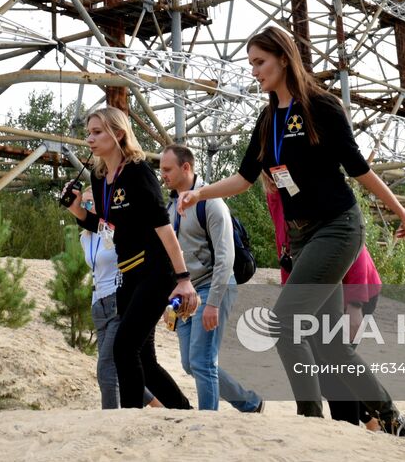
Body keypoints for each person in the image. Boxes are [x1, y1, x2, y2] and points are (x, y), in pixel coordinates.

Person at [179, 25, 405, 434]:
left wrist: (404, 215)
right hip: (301, 236)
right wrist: (199, 193)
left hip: (337, 227)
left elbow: (359, 169)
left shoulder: (321, 107)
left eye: (260, 62)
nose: (254, 71)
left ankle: (309, 420)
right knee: (328, 343)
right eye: (251, 63)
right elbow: (243, 178)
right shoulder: (267, 120)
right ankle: (390, 416)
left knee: (285, 324)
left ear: (283, 58)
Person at [64, 107, 194, 409]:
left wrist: (183, 279)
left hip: (154, 271)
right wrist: (76, 210)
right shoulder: (99, 177)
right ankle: (184, 412)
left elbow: (164, 229)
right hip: (129, 275)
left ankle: (131, 418)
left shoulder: (137, 171)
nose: (90, 139)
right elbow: (108, 228)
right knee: (144, 359)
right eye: (88, 133)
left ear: (118, 133)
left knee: (124, 348)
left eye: (97, 132)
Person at [267, 176, 381, 428]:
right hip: (320, 286)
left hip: (356, 285)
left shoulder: (308, 184)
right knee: (321, 366)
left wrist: (356, 304)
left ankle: (356, 427)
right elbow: (289, 248)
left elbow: (351, 246)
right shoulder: (275, 194)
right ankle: (371, 419)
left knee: (334, 368)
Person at [158, 143, 263, 413]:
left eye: (167, 169)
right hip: (186, 292)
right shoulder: (171, 205)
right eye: (161, 170)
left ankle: (207, 424)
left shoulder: (212, 204)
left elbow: (226, 258)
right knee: (190, 363)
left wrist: (214, 302)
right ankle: (250, 402)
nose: (163, 175)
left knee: (202, 362)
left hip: (213, 286)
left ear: (186, 167)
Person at [79, 209, 159, 410]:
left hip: (118, 300)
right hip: (98, 304)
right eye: (84, 202)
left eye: (92, 202)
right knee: (119, 369)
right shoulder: (85, 238)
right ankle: (160, 406)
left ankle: (110, 423)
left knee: (106, 370)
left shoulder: (114, 230)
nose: (87, 207)